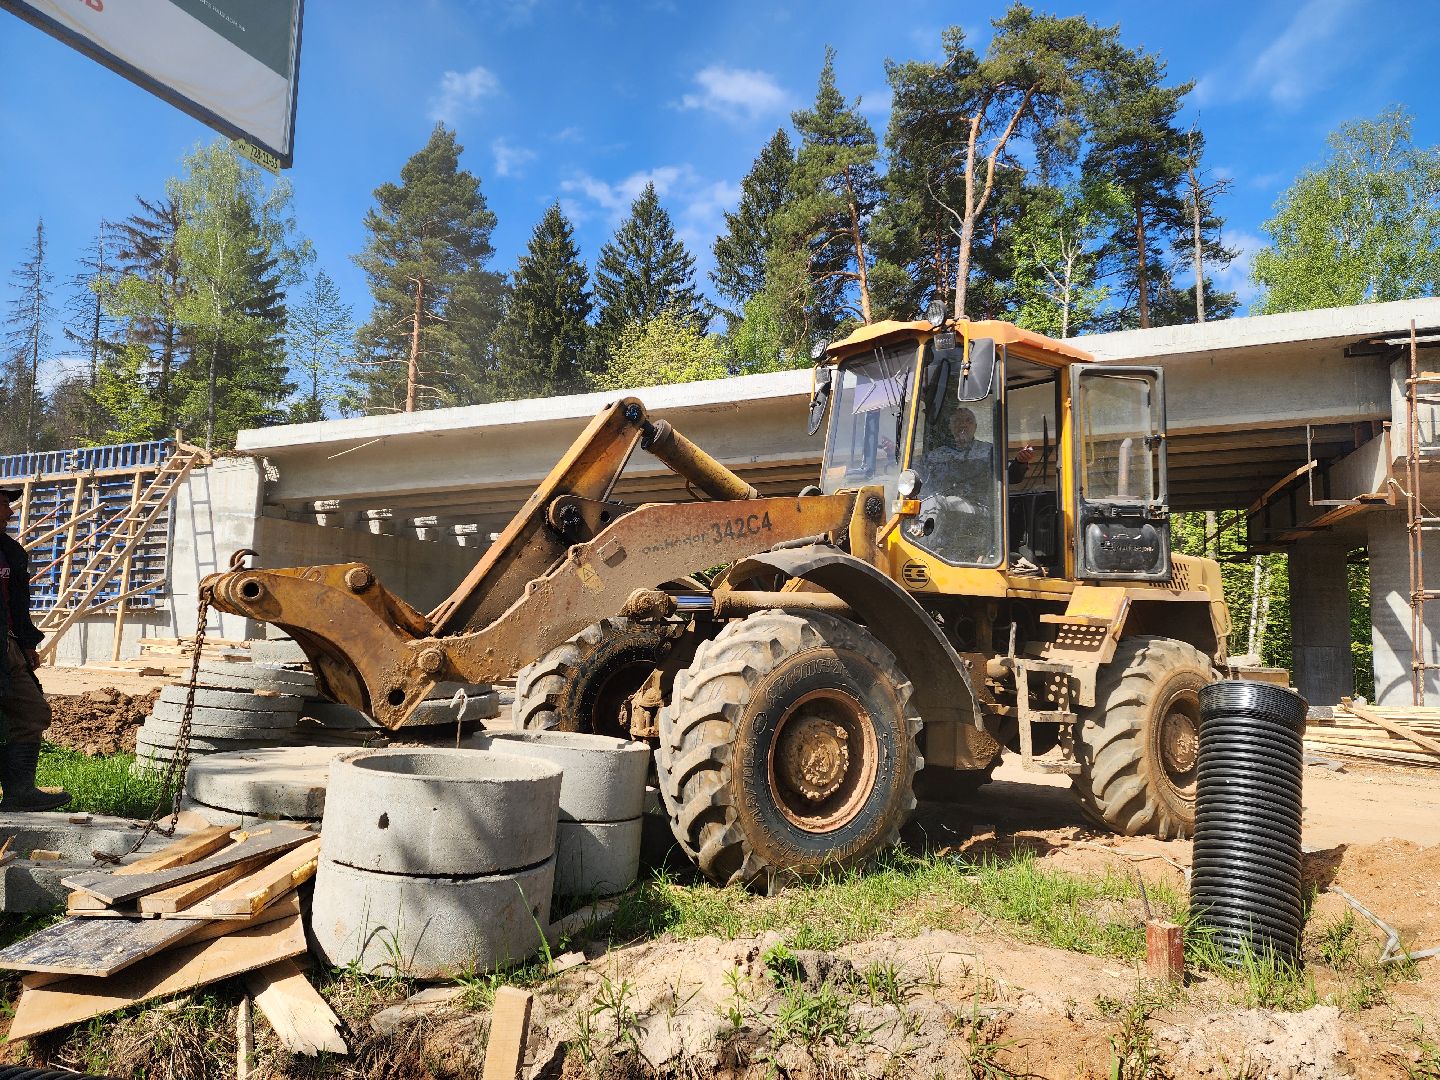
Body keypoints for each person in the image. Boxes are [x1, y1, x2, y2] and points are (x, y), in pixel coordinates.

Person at [0, 486, 69, 811]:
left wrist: (26, 643)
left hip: (8, 645)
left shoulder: (10, 552)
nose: (11, 513)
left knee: (31, 712)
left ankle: (19, 793)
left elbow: (18, 603)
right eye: (3, 505)